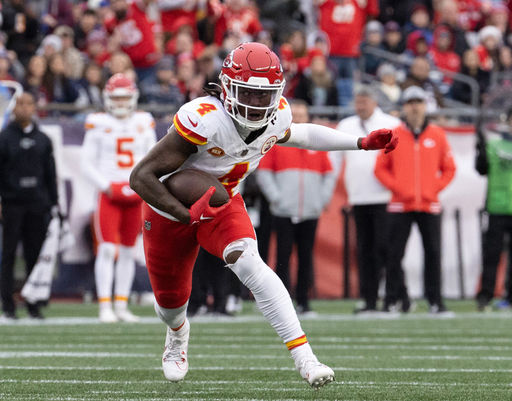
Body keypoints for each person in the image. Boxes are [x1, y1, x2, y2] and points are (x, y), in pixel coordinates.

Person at [129, 42, 397, 388]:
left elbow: (301, 134)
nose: (257, 104)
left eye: (264, 95)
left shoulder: (279, 113)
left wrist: (359, 143)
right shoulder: (203, 118)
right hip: (168, 205)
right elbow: (141, 177)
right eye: (247, 94)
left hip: (223, 202)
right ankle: (178, 335)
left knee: (248, 261)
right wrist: (183, 214)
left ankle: (306, 359)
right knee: (169, 303)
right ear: (227, 87)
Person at [81, 73, 157, 323]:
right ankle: (105, 305)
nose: (122, 103)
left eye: (125, 98)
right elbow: (86, 161)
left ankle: (121, 305)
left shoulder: (144, 121)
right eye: (117, 98)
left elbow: (152, 157)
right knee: (106, 249)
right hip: (109, 194)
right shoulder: (98, 122)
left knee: (127, 251)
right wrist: (106, 185)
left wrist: (141, 185)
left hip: (135, 193)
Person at [375, 86, 456, 314]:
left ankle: (435, 301)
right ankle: (391, 301)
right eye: (410, 102)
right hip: (400, 205)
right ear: (404, 106)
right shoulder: (394, 135)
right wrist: (399, 189)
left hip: (429, 205)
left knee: (433, 253)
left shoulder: (438, 135)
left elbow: (449, 168)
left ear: (425, 105)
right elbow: (380, 169)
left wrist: (432, 189)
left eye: (418, 102)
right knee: (394, 254)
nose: (414, 107)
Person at [257, 100, 338, 313]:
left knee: (305, 256)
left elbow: (329, 174)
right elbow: (264, 173)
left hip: (310, 211)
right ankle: (281, 303)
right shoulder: (277, 142)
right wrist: (277, 198)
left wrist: (321, 200)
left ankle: (303, 300)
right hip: (284, 211)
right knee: (282, 257)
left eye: (303, 115)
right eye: (296, 115)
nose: (299, 118)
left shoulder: (316, 145)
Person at [0, 92, 59, 320]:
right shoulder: (3, 138)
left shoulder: (43, 139)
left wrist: (54, 204)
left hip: (37, 205)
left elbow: (50, 175)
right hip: (12, 204)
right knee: (8, 255)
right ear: (14, 108)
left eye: (28, 104)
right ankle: (8, 306)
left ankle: (34, 304)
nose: (24, 108)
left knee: (34, 255)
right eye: (20, 104)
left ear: (34, 107)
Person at [331, 86, 400, 313]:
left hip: (385, 197)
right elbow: (334, 161)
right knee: (364, 250)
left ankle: (392, 297)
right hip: (359, 197)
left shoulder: (391, 123)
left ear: (374, 102)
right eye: (358, 102)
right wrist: (329, 190)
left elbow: (400, 162)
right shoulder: (346, 125)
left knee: (387, 248)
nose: (360, 107)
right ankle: (369, 299)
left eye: (364, 102)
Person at [475, 108, 512, 311]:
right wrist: (479, 149)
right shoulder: (494, 144)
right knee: (491, 255)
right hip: (496, 207)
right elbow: (481, 169)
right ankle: (485, 296)